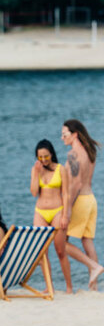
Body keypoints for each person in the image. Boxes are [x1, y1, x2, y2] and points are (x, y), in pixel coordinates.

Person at [62, 119, 104, 290]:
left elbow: (76, 184)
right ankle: (94, 286)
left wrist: (67, 209)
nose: (62, 138)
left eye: (64, 134)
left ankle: (94, 267)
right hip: (91, 200)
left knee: (61, 242)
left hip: (79, 200)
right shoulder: (90, 150)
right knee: (87, 241)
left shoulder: (73, 154)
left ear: (74, 134)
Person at [30, 139, 72, 293]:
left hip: (57, 211)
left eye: (46, 156)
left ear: (52, 154)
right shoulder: (36, 169)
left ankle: (69, 287)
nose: (43, 160)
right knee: (42, 252)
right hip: (40, 211)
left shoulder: (61, 169)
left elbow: (66, 194)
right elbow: (34, 192)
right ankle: (49, 287)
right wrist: (36, 173)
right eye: (40, 157)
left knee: (60, 251)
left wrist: (65, 216)